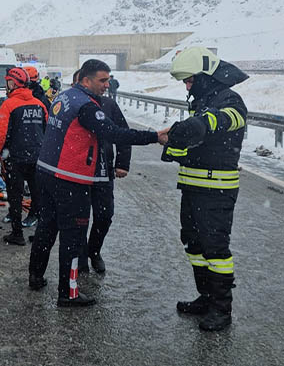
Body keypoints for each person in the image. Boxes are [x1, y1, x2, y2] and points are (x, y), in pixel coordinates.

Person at [28, 59, 167, 307]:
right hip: (70, 178)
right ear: (85, 80)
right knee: (72, 238)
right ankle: (68, 293)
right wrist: (154, 136)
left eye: (108, 80)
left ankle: (35, 276)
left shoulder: (65, 96)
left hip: (48, 171)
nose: (107, 85)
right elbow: (114, 133)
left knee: (46, 227)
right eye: (102, 80)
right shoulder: (87, 107)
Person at [161, 47, 247, 332]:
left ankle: (222, 309)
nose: (187, 86)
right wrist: (175, 146)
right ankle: (206, 297)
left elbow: (228, 120)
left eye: (189, 80)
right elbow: (195, 141)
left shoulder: (229, 100)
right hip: (192, 186)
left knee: (215, 250)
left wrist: (201, 122)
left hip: (216, 190)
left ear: (205, 76)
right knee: (193, 245)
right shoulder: (202, 101)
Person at [72, 68, 132, 274]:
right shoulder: (72, 104)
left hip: (103, 171)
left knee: (104, 216)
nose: (106, 85)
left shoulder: (108, 105)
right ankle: (80, 256)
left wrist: (123, 163)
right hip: (77, 173)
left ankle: (94, 250)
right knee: (78, 219)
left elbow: (123, 134)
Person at [0, 67, 47, 245]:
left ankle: (17, 234)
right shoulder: (40, 104)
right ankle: (40, 232)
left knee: (15, 196)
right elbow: (47, 130)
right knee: (37, 194)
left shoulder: (9, 105)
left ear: (12, 83)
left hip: (15, 158)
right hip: (37, 157)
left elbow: (0, 135)